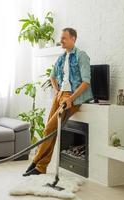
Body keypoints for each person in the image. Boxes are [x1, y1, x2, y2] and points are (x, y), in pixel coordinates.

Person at [23, 27, 93, 176]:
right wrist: (57, 91)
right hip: (60, 95)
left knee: (49, 129)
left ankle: (36, 163)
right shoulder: (62, 57)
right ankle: (40, 167)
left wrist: (71, 99)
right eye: (61, 38)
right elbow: (52, 76)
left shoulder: (81, 56)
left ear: (73, 39)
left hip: (72, 97)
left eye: (64, 38)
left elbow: (86, 82)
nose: (60, 41)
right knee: (50, 131)